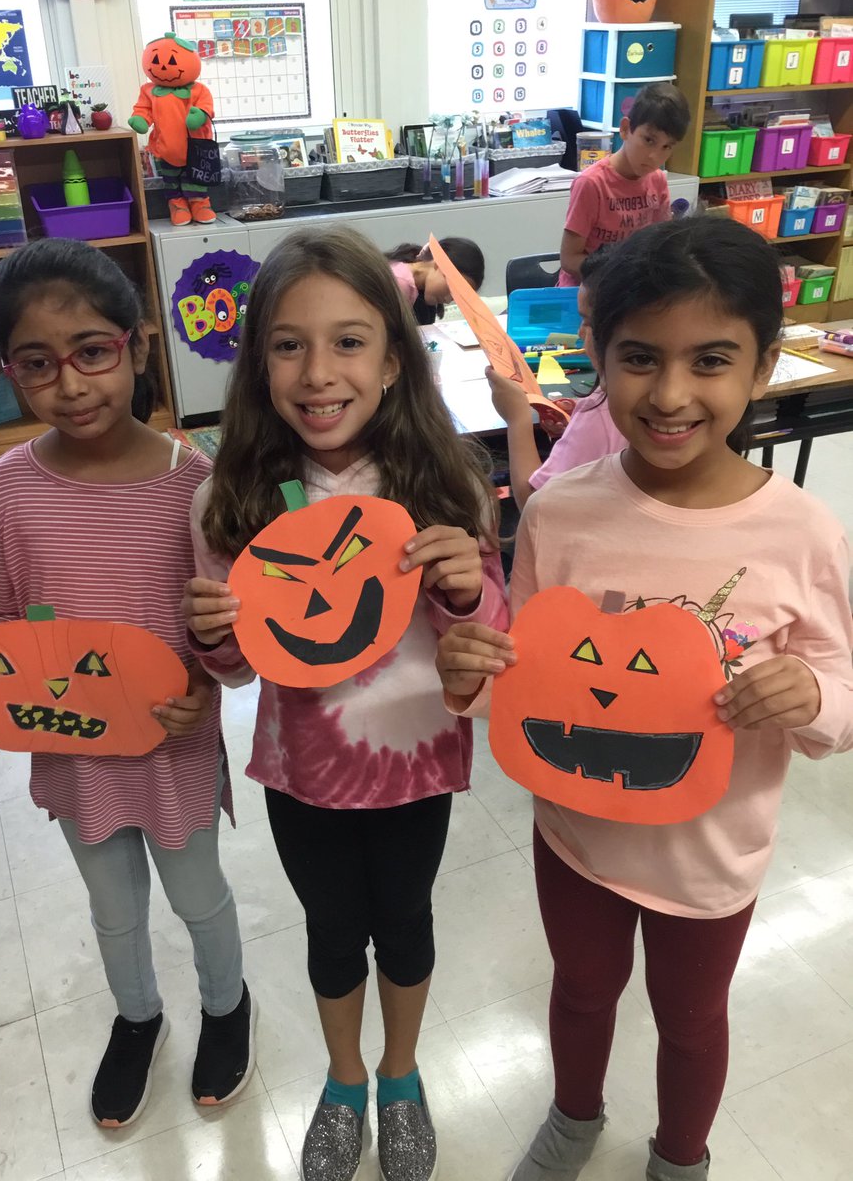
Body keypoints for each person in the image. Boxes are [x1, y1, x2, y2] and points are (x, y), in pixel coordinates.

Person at [436, 218, 853, 1181]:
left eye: (710, 360)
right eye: (638, 359)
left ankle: (681, 1157)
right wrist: (472, 681)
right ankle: (575, 1117)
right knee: (581, 992)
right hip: (577, 832)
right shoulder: (560, 508)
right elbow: (534, 680)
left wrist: (806, 696)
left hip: (712, 853)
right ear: (597, 358)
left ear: (761, 367)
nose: (669, 395)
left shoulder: (803, 533)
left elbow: (838, 704)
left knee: (692, 1019)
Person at [183, 224, 508, 1181]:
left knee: (404, 921)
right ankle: (344, 1077)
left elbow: (487, 643)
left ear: (396, 361)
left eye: (349, 340)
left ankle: (401, 1076)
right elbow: (235, 669)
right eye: (289, 344)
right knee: (332, 931)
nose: (319, 371)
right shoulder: (232, 496)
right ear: (259, 364)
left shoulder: (447, 478)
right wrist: (213, 634)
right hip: (306, 770)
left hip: (414, 762)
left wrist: (462, 593)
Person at [0, 239, 252, 1130]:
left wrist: (204, 693)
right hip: (73, 744)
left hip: (172, 741)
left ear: (137, 346)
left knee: (198, 894)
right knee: (112, 906)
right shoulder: (4, 492)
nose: (71, 385)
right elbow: (12, 619)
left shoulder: (192, 484)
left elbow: (219, 628)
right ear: (10, 373)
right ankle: (137, 1018)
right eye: (37, 365)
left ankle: (227, 1006)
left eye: (93, 352)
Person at [487, 247, 626, 509]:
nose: (579, 331)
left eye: (587, 321)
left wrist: (517, 419)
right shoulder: (613, 407)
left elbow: (534, 503)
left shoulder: (602, 413)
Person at [558, 81, 691, 287]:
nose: (655, 156)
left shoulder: (657, 180)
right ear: (625, 129)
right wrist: (621, 274)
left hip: (631, 291)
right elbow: (569, 259)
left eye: (667, 146)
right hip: (586, 293)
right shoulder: (591, 184)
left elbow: (659, 246)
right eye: (649, 140)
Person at [386, 237, 485, 325]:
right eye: (453, 289)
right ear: (439, 264)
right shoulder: (400, 284)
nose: (448, 300)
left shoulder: (417, 288)